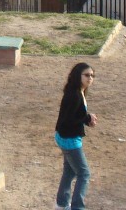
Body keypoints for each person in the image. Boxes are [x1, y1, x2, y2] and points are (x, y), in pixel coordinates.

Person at [53, 62, 98, 210]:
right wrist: (87, 119)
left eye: (92, 75)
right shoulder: (74, 95)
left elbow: (75, 115)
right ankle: (77, 207)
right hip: (69, 140)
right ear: (77, 76)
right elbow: (69, 119)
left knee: (70, 171)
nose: (90, 78)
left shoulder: (78, 91)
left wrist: (87, 118)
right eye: (86, 75)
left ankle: (61, 204)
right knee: (84, 174)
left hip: (64, 137)